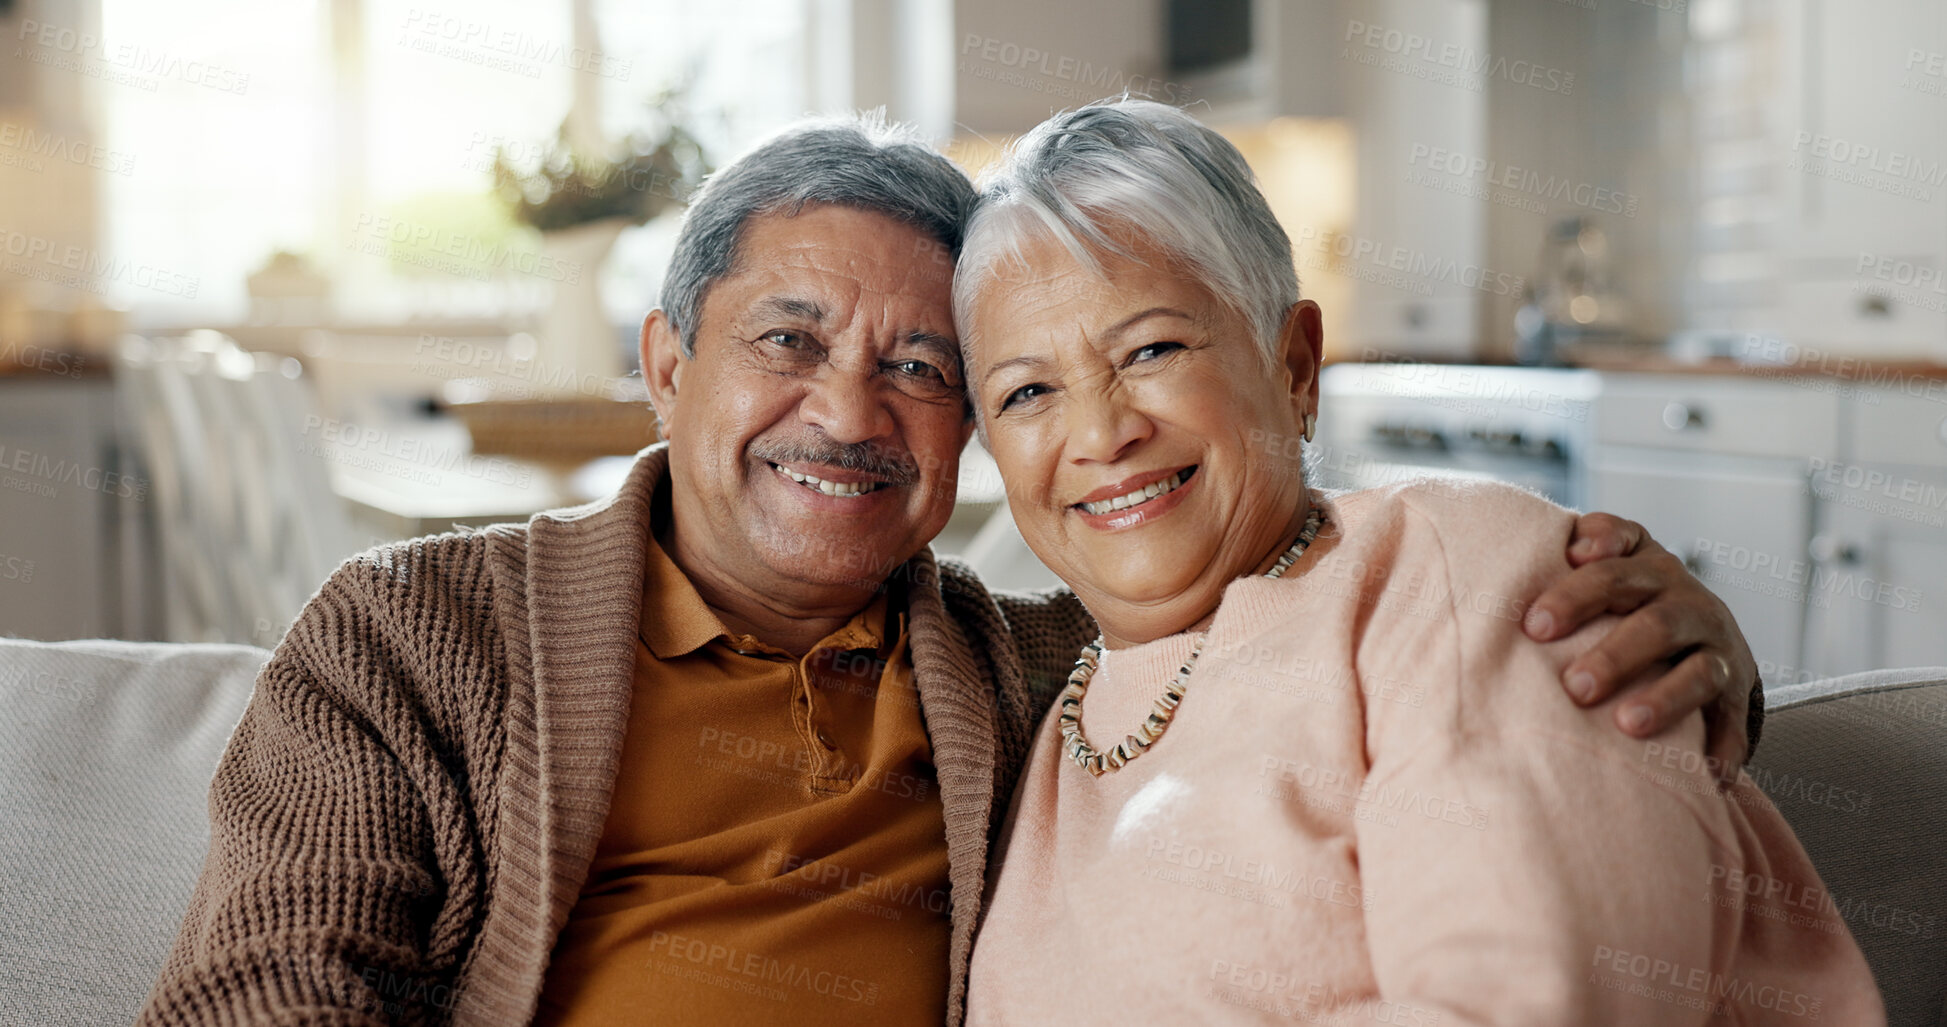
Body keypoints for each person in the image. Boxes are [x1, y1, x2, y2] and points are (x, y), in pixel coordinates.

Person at [141, 113, 1766, 1027]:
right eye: (788, 339)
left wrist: (1692, 651)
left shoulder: (1037, 665)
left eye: (925, 368)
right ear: (663, 359)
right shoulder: (415, 638)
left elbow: (1356, 629)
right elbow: (271, 995)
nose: (847, 412)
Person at [957, 99, 1882, 1025]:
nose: (1100, 433)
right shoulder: (1017, 696)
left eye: (1151, 348)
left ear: (1295, 367)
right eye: (1027, 391)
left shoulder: (1462, 576)